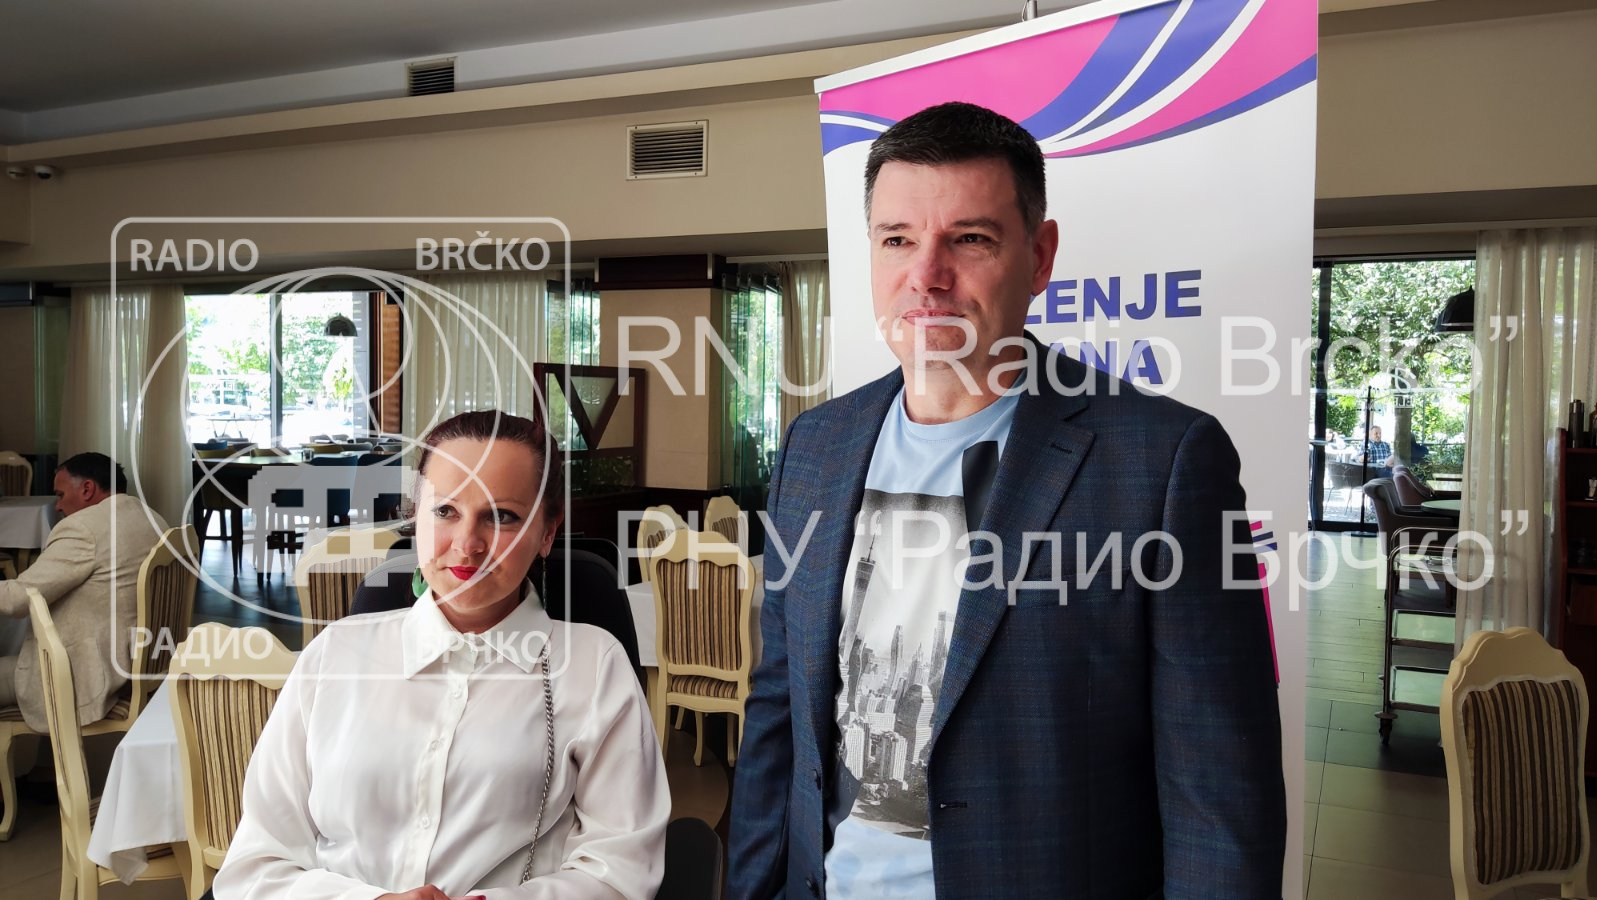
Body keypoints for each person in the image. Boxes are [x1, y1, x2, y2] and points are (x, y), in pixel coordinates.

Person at [728, 103, 1285, 898]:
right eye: (897, 240)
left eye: (970, 239)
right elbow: (779, 712)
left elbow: (1220, 795)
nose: (926, 276)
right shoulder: (815, 446)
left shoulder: (1163, 462)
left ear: (1040, 255)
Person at [215, 410, 670, 899]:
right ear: (416, 516)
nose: (468, 544)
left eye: (502, 516)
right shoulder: (334, 655)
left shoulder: (593, 667)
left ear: (547, 533)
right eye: (446, 511)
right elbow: (256, 866)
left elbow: (620, 871)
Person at [0, 452, 168, 731]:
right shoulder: (153, 518)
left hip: (92, 675)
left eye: (60, 494)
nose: (57, 506)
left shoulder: (83, 528)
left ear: (87, 489)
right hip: (144, 660)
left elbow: (17, 599)